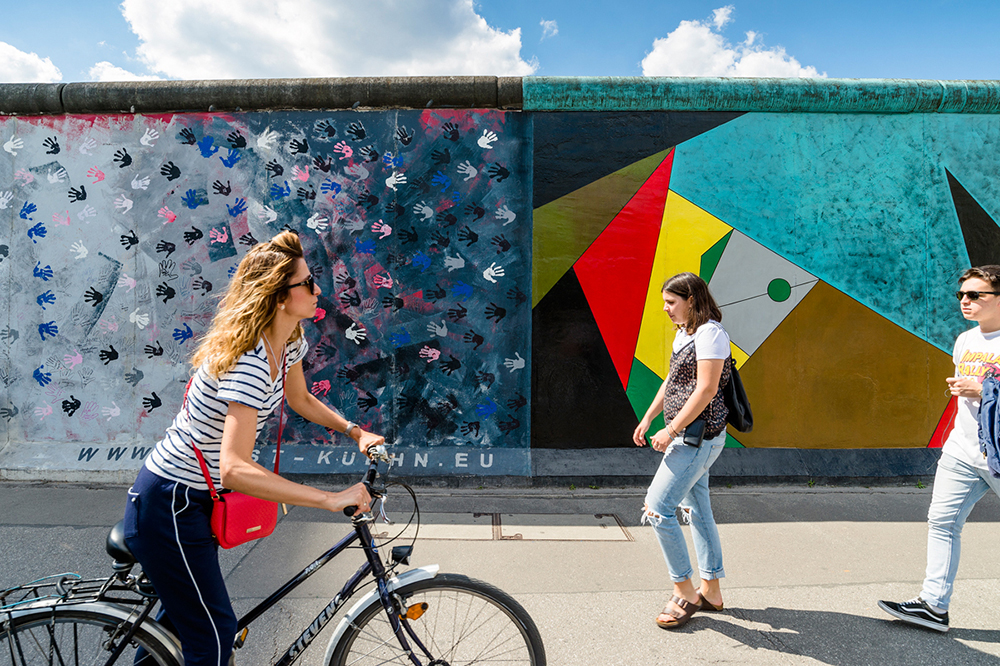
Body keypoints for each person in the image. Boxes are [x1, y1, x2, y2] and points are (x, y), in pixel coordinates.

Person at [123, 231, 381, 666]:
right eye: (307, 283)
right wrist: (328, 499)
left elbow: (299, 399)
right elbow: (235, 470)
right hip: (170, 504)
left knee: (176, 636)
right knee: (215, 638)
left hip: (190, 503)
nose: (319, 289)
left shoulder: (288, 339)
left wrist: (354, 431)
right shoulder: (250, 363)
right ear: (280, 297)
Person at [879, 265, 1000, 633]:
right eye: (962, 295)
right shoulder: (965, 340)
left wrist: (983, 390)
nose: (965, 301)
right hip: (962, 450)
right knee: (943, 522)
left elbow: (982, 392)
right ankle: (933, 605)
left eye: (976, 295)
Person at [632, 272, 731, 630]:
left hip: (698, 439)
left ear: (691, 299)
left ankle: (685, 591)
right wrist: (647, 418)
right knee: (698, 509)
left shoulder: (711, 335)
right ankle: (712, 590)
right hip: (686, 437)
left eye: (671, 302)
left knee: (658, 509)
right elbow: (672, 381)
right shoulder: (685, 334)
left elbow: (705, 390)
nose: (666, 309)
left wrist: (670, 429)